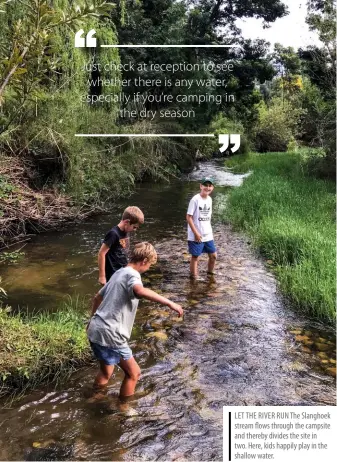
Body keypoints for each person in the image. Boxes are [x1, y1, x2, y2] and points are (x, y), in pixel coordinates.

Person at [88, 242, 183, 402]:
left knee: (106, 372)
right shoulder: (133, 275)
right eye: (150, 265)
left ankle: (94, 397)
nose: (148, 269)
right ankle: (124, 409)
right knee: (134, 373)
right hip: (112, 333)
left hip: (96, 328)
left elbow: (97, 297)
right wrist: (169, 303)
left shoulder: (119, 272)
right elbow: (139, 290)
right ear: (144, 261)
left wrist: (92, 320)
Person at [98, 206, 144, 285]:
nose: (135, 229)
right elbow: (101, 253)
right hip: (112, 273)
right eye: (134, 227)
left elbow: (123, 251)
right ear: (126, 222)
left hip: (122, 271)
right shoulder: (113, 234)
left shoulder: (126, 231)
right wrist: (102, 276)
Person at [186, 177, 217, 279]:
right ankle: (194, 278)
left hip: (208, 234)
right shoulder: (195, 200)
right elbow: (188, 217)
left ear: (212, 187)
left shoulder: (210, 199)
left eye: (210, 186)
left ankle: (210, 274)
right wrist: (195, 233)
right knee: (195, 257)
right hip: (196, 234)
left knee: (213, 256)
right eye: (205, 185)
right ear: (201, 186)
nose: (207, 188)